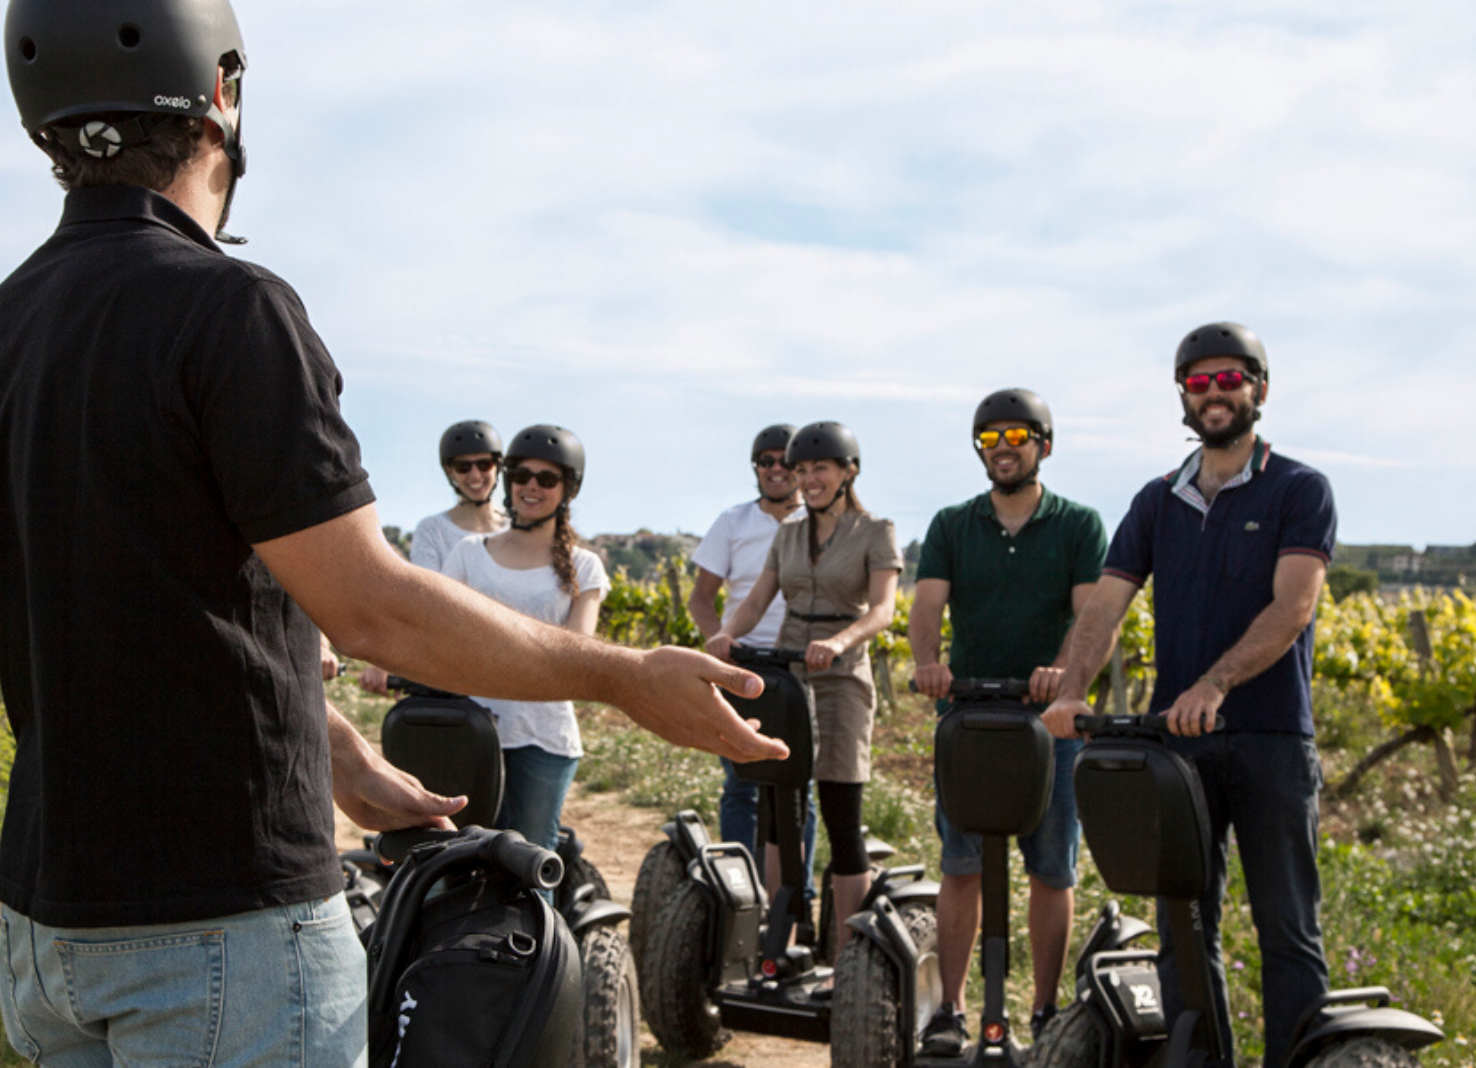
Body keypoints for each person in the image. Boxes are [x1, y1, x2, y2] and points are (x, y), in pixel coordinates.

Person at [0, 3, 784, 1065]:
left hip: (47, 928)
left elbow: (120, 599)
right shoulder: (228, 309)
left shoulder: (14, 322)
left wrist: (334, 753)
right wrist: (624, 676)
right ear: (223, 94)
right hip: (225, 926)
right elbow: (367, 604)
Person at [1043, 322, 1335, 1068]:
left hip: (1271, 738)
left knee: (1287, 929)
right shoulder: (1155, 500)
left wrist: (1216, 681)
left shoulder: (1299, 489)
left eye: (1229, 379)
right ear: (1183, 395)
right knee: (1181, 923)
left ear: (1258, 391)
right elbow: (1106, 605)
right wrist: (1072, 690)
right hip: (1181, 747)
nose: (1214, 393)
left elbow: (1293, 606)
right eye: (1199, 382)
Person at [910, 389, 1107, 1055]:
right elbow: (929, 603)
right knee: (960, 865)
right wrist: (928, 661)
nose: (1003, 447)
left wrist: (1064, 675)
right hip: (967, 716)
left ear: (1043, 445)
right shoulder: (952, 524)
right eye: (990, 437)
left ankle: (1045, 1012)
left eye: (1017, 435)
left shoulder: (1078, 524)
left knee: (1052, 869)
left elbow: (1090, 617)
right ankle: (952, 1011)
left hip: (1048, 725)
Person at [708, 421, 902, 958]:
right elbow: (758, 600)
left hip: (841, 677)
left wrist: (840, 641)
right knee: (777, 805)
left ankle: (849, 956)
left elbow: (884, 609)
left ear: (848, 472)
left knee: (840, 810)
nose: (808, 480)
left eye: (820, 469)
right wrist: (728, 635)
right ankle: (782, 936)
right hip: (789, 670)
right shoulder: (788, 534)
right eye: (800, 471)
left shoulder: (876, 530)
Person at [442, 425, 608, 853]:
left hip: (544, 737)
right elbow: (436, 629)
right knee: (459, 858)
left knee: (532, 863)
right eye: (521, 476)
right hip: (472, 731)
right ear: (508, 481)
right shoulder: (468, 552)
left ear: (568, 490)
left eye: (547, 479)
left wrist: (488, 652)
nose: (532, 486)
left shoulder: (584, 566)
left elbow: (578, 652)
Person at [689, 425, 816, 894]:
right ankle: (740, 889)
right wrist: (718, 640)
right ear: (756, 469)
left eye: (786, 460)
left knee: (798, 788)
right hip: (743, 666)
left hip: (800, 667)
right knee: (742, 784)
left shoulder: (816, 523)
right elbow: (702, 598)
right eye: (766, 461)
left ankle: (794, 894)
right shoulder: (733, 522)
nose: (776, 469)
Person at [359, 419, 506, 694]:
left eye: (483, 464)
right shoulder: (432, 530)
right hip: (454, 666)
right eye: (463, 466)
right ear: (450, 471)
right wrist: (387, 659)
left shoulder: (515, 531)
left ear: (497, 466)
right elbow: (426, 602)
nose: (475, 475)